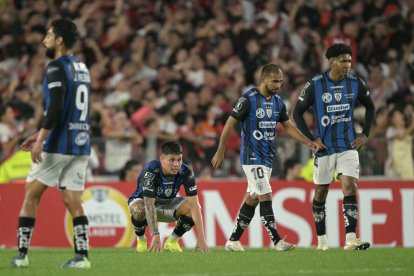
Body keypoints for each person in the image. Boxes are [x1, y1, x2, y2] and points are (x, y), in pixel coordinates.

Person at [211, 64, 320, 252]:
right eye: (275, 81)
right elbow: (229, 124)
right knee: (265, 195)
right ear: (263, 79)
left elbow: (288, 126)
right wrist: (220, 151)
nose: (278, 85)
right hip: (251, 157)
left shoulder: (278, 102)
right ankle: (277, 241)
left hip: (267, 157)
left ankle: (233, 241)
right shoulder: (248, 100)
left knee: (253, 197)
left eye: (280, 81)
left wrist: (307, 141)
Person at [11, 19, 92, 268]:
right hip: (81, 144)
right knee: (72, 200)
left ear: (58, 40)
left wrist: (41, 140)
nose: (44, 39)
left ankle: (22, 256)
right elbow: (71, 109)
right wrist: (39, 134)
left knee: (31, 195)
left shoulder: (56, 67)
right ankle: (82, 257)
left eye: (48, 35)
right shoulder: (82, 68)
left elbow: (56, 107)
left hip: (58, 146)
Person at [293, 43, 375, 251]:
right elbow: (297, 113)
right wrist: (312, 139)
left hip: (347, 146)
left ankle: (351, 239)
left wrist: (365, 133)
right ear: (332, 62)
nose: (348, 65)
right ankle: (322, 241)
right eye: (343, 61)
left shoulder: (356, 82)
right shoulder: (316, 84)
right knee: (321, 193)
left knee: (349, 186)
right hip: (324, 149)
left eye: (349, 60)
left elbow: (370, 106)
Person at [128, 141, 209, 253]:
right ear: (161, 158)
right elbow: (149, 204)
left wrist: (201, 239)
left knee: (194, 208)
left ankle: (172, 242)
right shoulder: (151, 170)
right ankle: (141, 240)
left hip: (167, 204)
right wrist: (155, 236)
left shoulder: (186, 172)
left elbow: (194, 204)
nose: (176, 164)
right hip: (145, 204)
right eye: (171, 160)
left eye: (179, 160)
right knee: (139, 209)